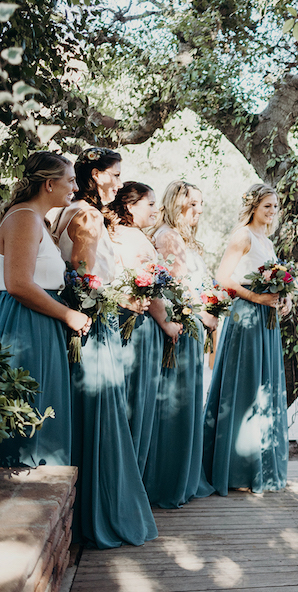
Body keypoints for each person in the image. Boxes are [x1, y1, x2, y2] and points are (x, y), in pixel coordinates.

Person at [54, 147, 158, 548]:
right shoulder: (87, 214)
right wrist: (122, 299)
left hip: (90, 319)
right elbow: (81, 278)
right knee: (99, 414)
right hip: (94, 325)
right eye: (114, 174)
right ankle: (99, 512)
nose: (118, 181)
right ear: (95, 175)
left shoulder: (65, 212)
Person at [0, 152, 89, 468]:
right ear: (49, 184)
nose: (75, 188)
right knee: (30, 410)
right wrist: (68, 314)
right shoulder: (23, 217)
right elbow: (18, 284)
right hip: (25, 322)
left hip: (42, 320)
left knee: (44, 409)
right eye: (70, 180)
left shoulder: (39, 220)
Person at [204, 183, 290, 495]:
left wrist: (284, 297)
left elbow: (273, 278)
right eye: (267, 206)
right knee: (246, 384)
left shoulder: (267, 239)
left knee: (263, 387)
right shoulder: (243, 235)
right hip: (246, 316)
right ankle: (236, 469)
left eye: (275, 207)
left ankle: (259, 465)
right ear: (253, 206)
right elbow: (223, 277)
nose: (272, 212)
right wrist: (256, 297)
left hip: (267, 318)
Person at [145, 181, 215, 508]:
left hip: (191, 325)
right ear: (176, 204)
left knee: (186, 401)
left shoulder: (183, 238)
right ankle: (167, 480)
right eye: (193, 204)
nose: (199, 211)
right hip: (179, 328)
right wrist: (202, 314)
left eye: (201, 204)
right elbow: (174, 287)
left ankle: (182, 475)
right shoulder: (169, 237)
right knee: (174, 403)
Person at [108, 182, 167, 476]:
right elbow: (149, 292)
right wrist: (167, 323)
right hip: (139, 326)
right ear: (131, 207)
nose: (156, 210)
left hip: (114, 319)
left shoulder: (112, 234)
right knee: (137, 398)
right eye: (151, 204)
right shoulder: (139, 240)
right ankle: (133, 475)